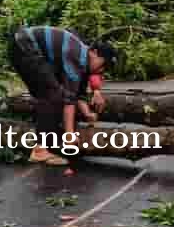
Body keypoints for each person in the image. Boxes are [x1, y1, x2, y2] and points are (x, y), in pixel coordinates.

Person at [9, 24, 116, 166]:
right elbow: (69, 99)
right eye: (102, 65)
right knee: (54, 95)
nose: (101, 70)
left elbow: (78, 93)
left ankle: (46, 141)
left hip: (22, 45)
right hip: (25, 45)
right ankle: (40, 150)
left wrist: (87, 113)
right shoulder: (76, 55)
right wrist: (70, 134)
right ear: (94, 52)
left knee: (47, 93)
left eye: (105, 69)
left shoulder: (83, 61)